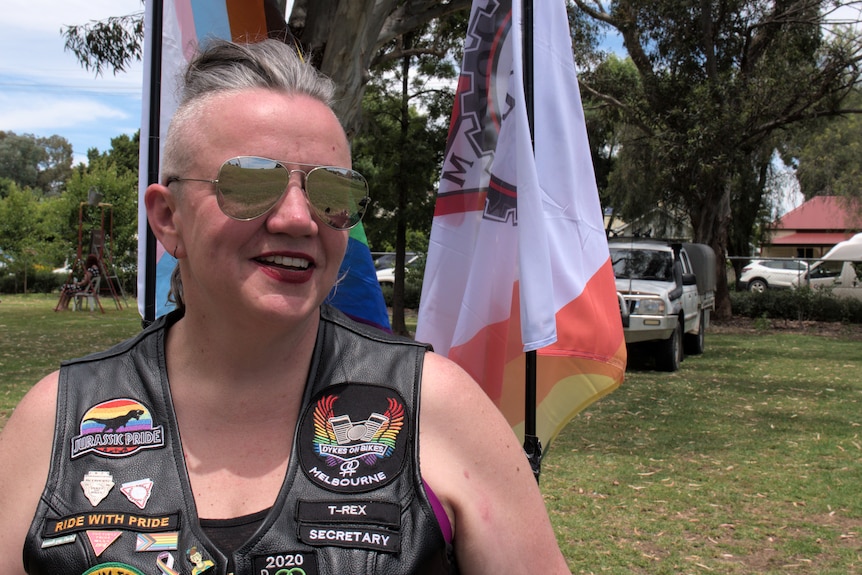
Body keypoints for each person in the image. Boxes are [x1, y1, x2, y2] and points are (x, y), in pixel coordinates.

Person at [0, 39, 571, 575]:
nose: (299, 219)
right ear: (167, 218)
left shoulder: (437, 407)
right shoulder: (56, 419)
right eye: (251, 184)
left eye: (332, 193)